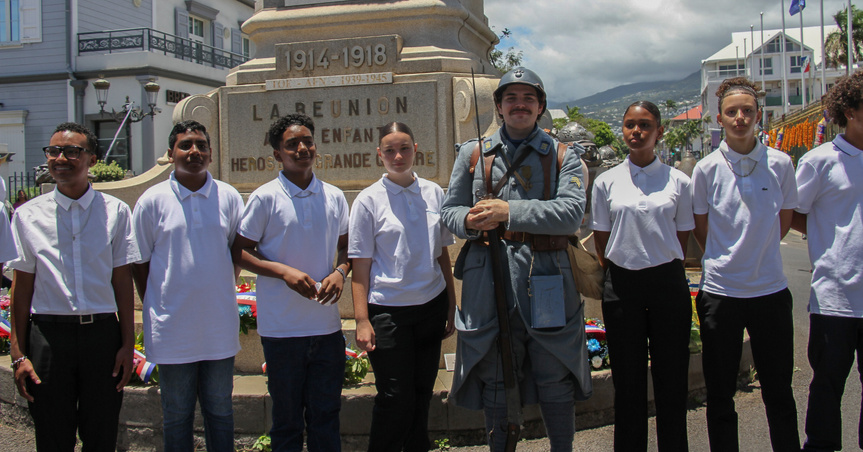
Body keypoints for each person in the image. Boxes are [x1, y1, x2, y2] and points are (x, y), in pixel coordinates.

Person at [440, 67, 591, 451]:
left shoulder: (563, 156)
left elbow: (571, 213)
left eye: (528, 98)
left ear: (540, 106)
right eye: (511, 98)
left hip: (547, 276)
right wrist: (470, 221)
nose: (519, 105)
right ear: (499, 106)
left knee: (553, 371)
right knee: (493, 372)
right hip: (487, 278)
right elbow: (450, 212)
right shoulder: (472, 154)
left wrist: (510, 211)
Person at [7, 122, 138, 451]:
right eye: (53, 151)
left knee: (101, 433)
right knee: (52, 436)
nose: (60, 158)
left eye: (71, 151)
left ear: (92, 160)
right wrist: (18, 353)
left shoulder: (116, 212)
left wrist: (126, 344)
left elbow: (122, 282)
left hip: (101, 337)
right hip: (49, 339)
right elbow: (21, 289)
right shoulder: (27, 216)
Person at [691, 77, 799, 451]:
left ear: (759, 116)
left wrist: (760, 250)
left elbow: (783, 219)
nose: (740, 118)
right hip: (721, 294)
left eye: (747, 111)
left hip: (770, 291)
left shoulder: (781, 164)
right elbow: (703, 230)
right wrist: (728, 257)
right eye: (732, 112)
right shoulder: (705, 170)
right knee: (720, 395)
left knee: (779, 391)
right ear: (718, 118)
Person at [231, 113, 350, 452]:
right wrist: (283, 272)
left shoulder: (334, 196)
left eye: (307, 141)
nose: (302, 148)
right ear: (277, 155)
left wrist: (340, 272)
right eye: (291, 144)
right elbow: (239, 251)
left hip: (326, 330)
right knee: (286, 423)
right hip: (282, 332)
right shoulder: (265, 198)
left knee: (326, 417)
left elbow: (348, 248)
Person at [132, 120, 243, 452]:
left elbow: (237, 253)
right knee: (177, 415)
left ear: (210, 153)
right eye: (185, 145)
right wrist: (158, 301)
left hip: (218, 328)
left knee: (221, 413)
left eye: (201, 145)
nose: (194, 151)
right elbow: (140, 263)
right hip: (173, 329)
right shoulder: (151, 201)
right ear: (170, 154)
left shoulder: (229, 197)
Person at [591, 101, 694, 451]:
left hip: (668, 284)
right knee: (628, 381)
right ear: (623, 131)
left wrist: (660, 260)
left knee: (672, 378)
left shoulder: (678, 180)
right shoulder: (606, 181)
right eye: (630, 125)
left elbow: (681, 236)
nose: (636, 132)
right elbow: (602, 239)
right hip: (622, 285)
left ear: (659, 131)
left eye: (645, 125)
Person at [350, 122, 457, 451]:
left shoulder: (433, 192)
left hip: (430, 306)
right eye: (391, 150)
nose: (398, 156)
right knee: (395, 396)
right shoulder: (368, 201)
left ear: (416, 150)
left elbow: (441, 255)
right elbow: (360, 266)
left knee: (422, 393)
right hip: (388, 312)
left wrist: (451, 307)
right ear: (379, 155)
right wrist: (362, 319)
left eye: (405, 148)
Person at [794, 70, 863, 452]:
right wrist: (829, 236)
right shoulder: (819, 161)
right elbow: (796, 212)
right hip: (834, 296)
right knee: (827, 384)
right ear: (850, 110)